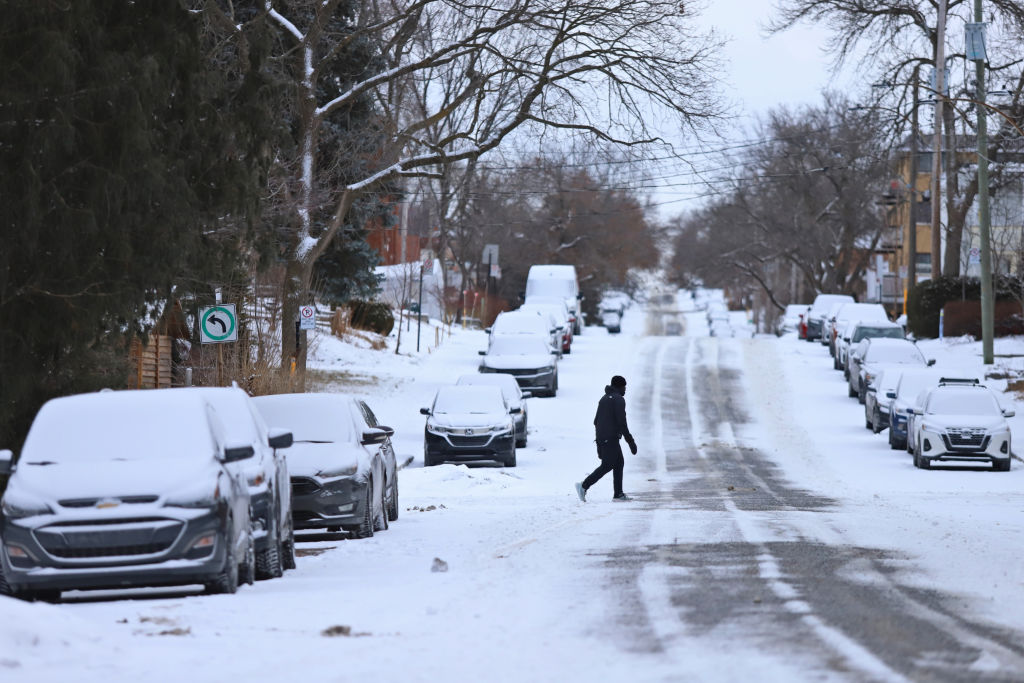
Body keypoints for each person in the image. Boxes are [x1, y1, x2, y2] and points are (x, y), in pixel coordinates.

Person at [575, 375, 637, 502]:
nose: (625, 389)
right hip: (610, 438)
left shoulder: (603, 399)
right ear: (619, 387)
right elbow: (622, 422)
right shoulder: (618, 400)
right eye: (624, 387)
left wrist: (599, 442)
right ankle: (583, 485)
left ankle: (618, 494)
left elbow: (596, 421)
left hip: (605, 438)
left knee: (619, 462)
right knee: (607, 465)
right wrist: (630, 441)